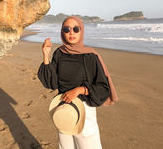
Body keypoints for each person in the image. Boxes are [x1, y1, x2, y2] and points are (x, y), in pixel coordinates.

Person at [38, 16, 118, 149]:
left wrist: (81, 90)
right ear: (62, 32)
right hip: (63, 109)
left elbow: (103, 88)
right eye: (66, 29)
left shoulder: (90, 56)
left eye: (76, 29)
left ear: (81, 31)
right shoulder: (59, 53)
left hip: (84, 108)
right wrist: (46, 55)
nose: (71, 32)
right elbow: (51, 83)